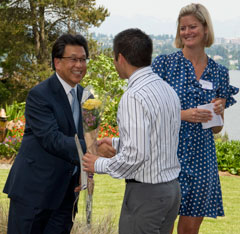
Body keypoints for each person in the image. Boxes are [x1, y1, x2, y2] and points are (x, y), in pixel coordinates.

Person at [3, 33, 114, 234]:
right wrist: (94, 148)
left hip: (67, 196)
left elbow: (83, 135)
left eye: (83, 59)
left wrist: (85, 172)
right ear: (57, 62)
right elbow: (51, 139)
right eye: (73, 59)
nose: (79, 65)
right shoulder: (40, 95)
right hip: (34, 194)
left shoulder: (86, 97)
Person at [83, 28, 182, 234]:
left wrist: (98, 164)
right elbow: (159, 138)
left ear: (120, 58)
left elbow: (136, 155)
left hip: (146, 196)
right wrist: (117, 143)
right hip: (171, 191)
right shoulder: (167, 90)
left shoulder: (134, 96)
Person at [152, 3, 239, 234]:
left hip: (202, 159)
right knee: (163, 227)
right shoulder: (164, 65)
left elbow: (217, 129)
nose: (187, 32)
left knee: (190, 231)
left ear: (205, 30)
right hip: (169, 157)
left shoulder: (219, 71)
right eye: (183, 28)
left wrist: (218, 113)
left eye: (192, 27)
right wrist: (184, 115)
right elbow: (149, 112)